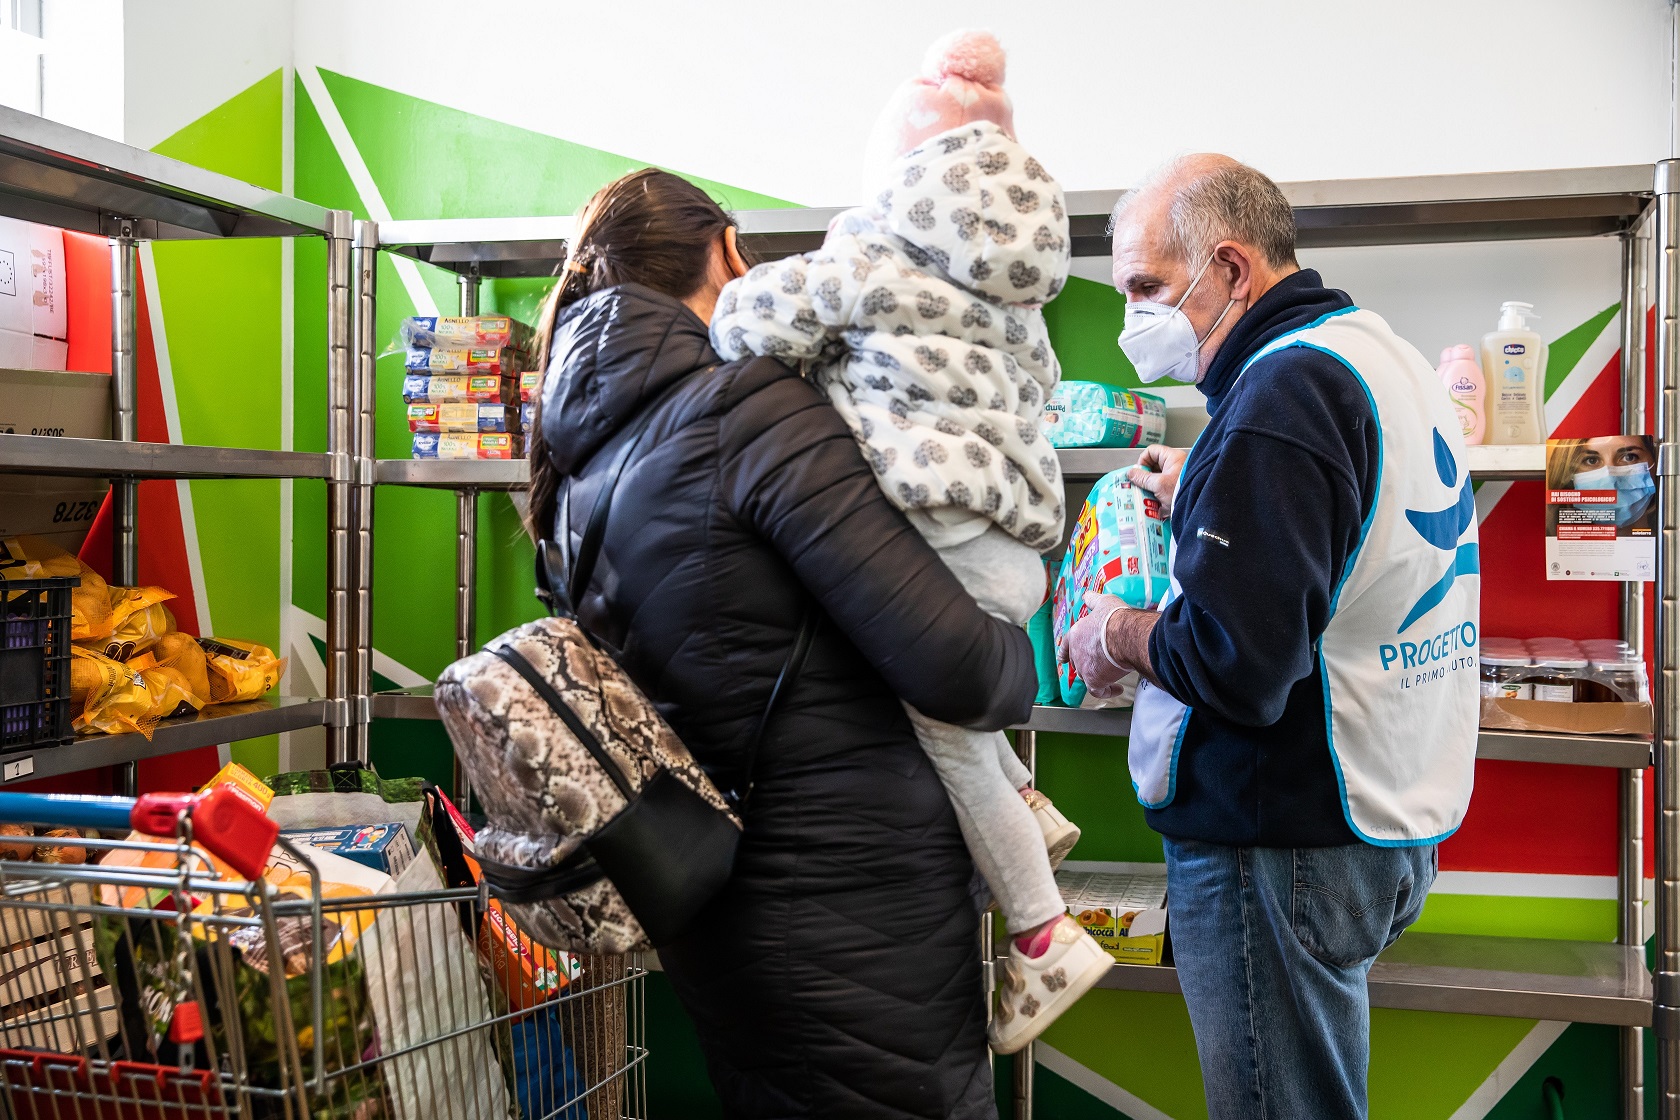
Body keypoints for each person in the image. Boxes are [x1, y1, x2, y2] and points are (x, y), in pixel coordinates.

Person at [526, 167, 1035, 1119]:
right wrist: (1023, 653)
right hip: (853, 919)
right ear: (728, 253)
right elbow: (958, 667)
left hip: (717, 914)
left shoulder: (574, 467)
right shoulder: (748, 412)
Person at [710, 27, 1110, 1054]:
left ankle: (1041, 936)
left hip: (939, 529)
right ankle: (1030, 803)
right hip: (1014, 544)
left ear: (900, 173)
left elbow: (751, 321)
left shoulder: (870, 254)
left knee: (942, 730)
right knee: (963, 706)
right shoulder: (1023, 289)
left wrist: (743, 299)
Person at [1060, 154, 1480, 1120]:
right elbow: (1348, 542)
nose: (1130, 317)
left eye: (1146, 287)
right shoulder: (1376, 357)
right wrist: (1214, 487)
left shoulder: (1283, 395)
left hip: (1280, 845)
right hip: (1381, 815)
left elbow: (1234, 661)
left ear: (1230, 268)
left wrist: (1115, 631)